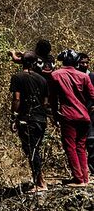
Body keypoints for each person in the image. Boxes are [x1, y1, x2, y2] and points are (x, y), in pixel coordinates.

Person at [49, 49, 94, 186]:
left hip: (68, 115)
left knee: (70, 146)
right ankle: (85, 178)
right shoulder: (84, 76)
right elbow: (92, 96)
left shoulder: (55, 75)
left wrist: (55, 113)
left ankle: (78, 178)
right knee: (81, 147)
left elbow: (52, 98)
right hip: (84, 116)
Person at [9, 51, 49, 191]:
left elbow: (17, 99)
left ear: (22, 62)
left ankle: (40, 183)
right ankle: (40, 179)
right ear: (34, 63)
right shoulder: (43, 79)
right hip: (41, 119)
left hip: (27, 119)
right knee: (34, 149)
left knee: (31, 150)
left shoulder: (17, 77)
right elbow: (45, 102)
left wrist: (14, 116)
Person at [76, 53, 94, 176]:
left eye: (86, 62)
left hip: (91, 112)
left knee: (91, 140)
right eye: (82, 62)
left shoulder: (91, 76)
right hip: (78, 112)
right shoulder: (74, 76)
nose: (85, 64)